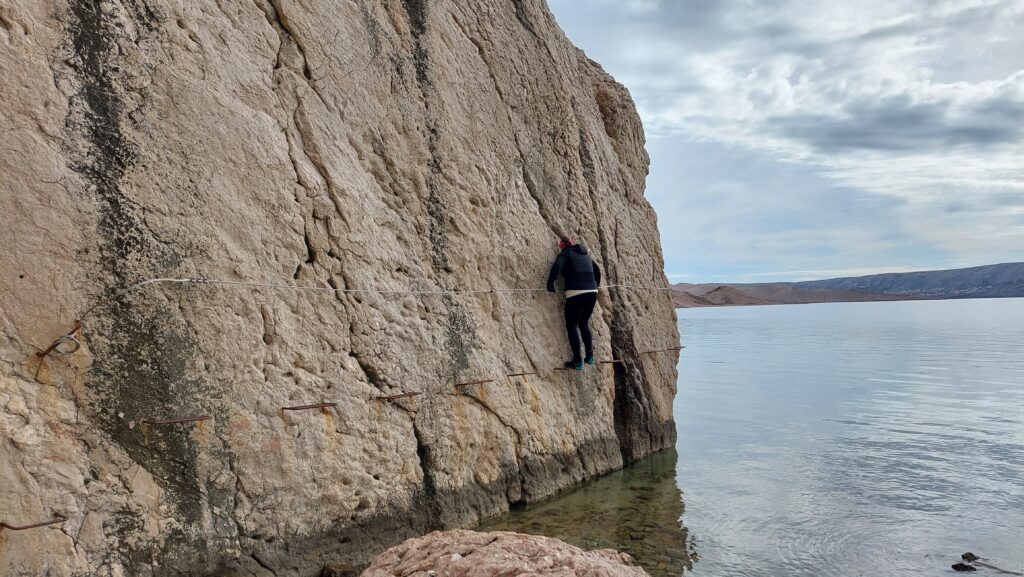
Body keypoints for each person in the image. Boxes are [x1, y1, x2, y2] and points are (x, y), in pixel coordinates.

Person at [546, 236, 601, 370]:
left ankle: (577, 361)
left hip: (576, 292)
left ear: (563, 245)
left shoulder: (565, 253)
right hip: (592, 292)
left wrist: (550, 283)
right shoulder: (585, 255)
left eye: (560, 246)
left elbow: (557, 266)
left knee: (572, 326)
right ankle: (589, 357)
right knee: (583, 323)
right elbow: (597, 270)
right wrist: (596, 285)